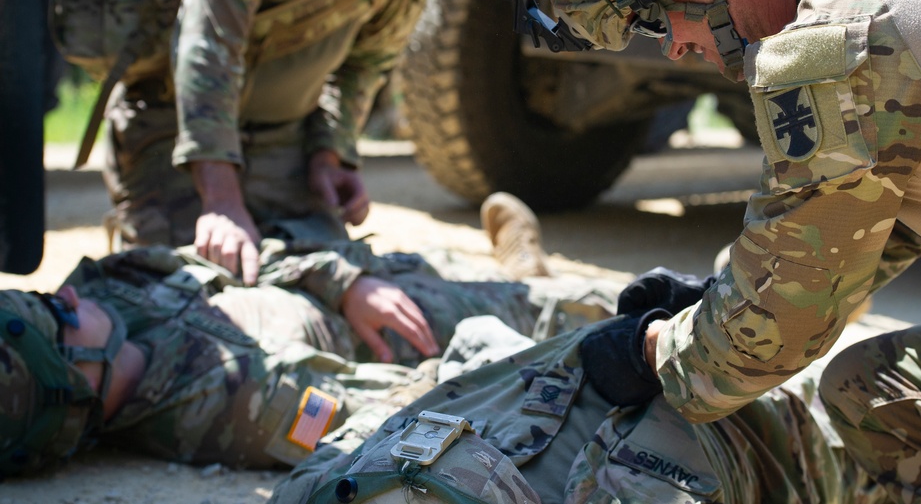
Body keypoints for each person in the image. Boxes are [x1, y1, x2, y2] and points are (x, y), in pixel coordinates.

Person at [525, 0, 921, 501]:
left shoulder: (839, 39)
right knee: (873, 397)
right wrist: (715, 293)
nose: (676, 45)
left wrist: (652, 353)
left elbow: (781, 323)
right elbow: (857, 232)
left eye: (657, 16)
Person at [103, 0, 502, 286]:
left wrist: (330, 155)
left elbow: (365, 65)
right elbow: (209, 38)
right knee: (190, 292)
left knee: (341, 285)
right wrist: (221, 200)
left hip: (283, 144)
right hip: (175, 135)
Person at [0, 195, 621, 478]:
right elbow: (400, 403)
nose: (71, 294)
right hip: (395, 331)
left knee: (424, 262)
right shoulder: (229, 408)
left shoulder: (105, 285)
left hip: (350, 284)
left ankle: (513, 272)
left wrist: (345, 280)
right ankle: (527, 281)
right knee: (586, 314)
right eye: (60, 314)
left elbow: (248, 260)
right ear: (74, 379)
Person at [267, 286, 905, 504]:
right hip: (755, 427)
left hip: (516, 379)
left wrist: (642, 341)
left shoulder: (334, 488)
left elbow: (319, 471)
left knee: (484, 339)